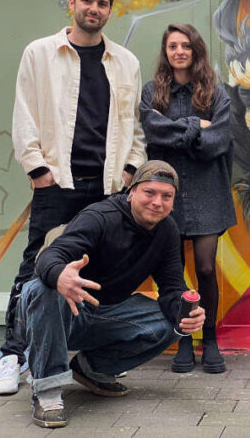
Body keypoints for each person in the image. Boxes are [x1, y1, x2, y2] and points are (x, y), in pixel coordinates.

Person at [0, 0, 146, 396]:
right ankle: (12, 354)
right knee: (35, 268)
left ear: (110, 11)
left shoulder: (125, 62)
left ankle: (72, 354)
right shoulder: (40, 53)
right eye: (87, 1)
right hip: (57, 182)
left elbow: (134, 127)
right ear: (73, 3)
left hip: (107, 188)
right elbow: (24, 114)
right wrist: (38, 171)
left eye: (102, 4)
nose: (94, 9)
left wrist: (131, 170)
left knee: (92, 268)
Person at [16, 160, 206, 428]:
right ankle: (47, 389)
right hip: (55, 314)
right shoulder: (100, 217)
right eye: (149, 193)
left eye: (166, 196)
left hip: (103, 313)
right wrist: (61, 275)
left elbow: (172, 288)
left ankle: (91, 369)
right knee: (41, 288)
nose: (157, 202)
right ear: (132, 192)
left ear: (173, 202)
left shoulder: (167, 231)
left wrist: (187, 314)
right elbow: (50, 256)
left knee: (173, 322)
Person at [139, 23, 236, 374]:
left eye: (186, 46)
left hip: (208, 188)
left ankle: (209, 338)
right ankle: (183, 337)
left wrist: (180, 131)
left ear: (196, 51)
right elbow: (153, 132)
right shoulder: (153, 92)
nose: (179, 51)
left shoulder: (214, 92)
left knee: (206, 267)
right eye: (173, 46)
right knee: (173, 270)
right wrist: (198, 126)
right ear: (166, 51)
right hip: (167, 193)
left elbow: (219, 142)